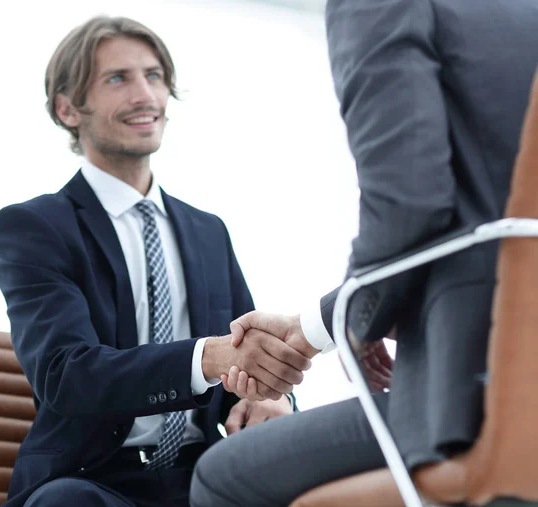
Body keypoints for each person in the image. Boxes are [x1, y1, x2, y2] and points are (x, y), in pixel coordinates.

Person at [190, 0, 538, 505]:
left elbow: (408, 206)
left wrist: (360, 318)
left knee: (222, 478)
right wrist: (329, 323)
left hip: (481, 396)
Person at [0, 16, 311, 507]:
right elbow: (67, 375)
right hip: (90, 481)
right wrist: (210, 356)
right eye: (118, 78)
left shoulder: (208, 231)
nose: (146, 95)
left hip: (203, 477)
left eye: (154, 75)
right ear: (68, 108)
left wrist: (268, 396)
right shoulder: (35, 227)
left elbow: (246, 356)